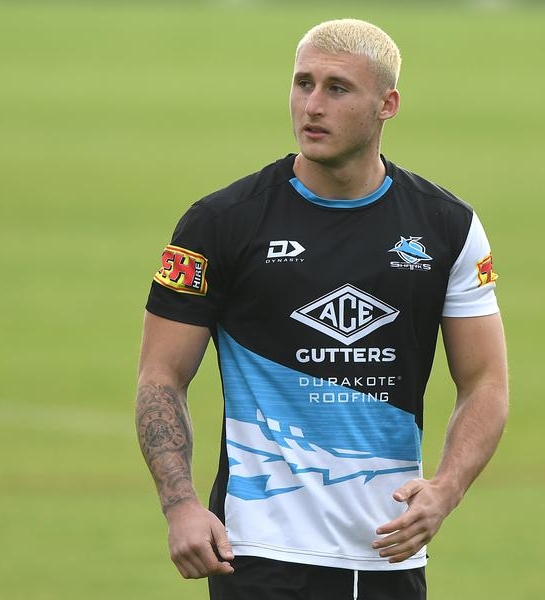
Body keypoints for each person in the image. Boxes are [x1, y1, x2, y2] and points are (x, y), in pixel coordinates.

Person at [135, 18, 508, 600]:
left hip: (388, 554)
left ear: (387, 105)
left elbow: (485, 382)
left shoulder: (447, 227)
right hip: (256, 551)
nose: (312, 105)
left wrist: (446, 489)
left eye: (337, 88)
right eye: (302, 83)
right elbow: (160, 376)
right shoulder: (221, 224)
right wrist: (179, 504)